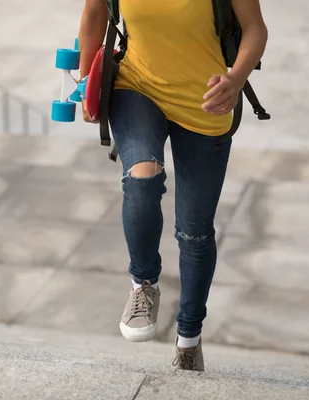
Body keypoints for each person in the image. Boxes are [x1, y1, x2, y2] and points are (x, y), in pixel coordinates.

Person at [78, 0, 268, 371]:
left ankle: (188, 340)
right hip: (137, 87)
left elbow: (256, 29)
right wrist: (86, 80)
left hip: (206, 99)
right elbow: (94, 15)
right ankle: (143, 284)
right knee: (142, 178)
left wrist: (236, 78)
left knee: (195, 233)